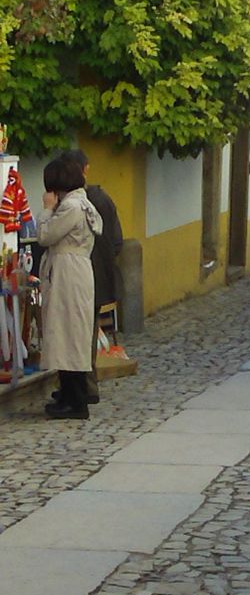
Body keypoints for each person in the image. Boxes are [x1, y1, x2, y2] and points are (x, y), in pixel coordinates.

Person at [37, 156, 103, 419]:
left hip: (68, 273)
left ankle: (75, 400)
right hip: (73, 271)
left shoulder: (71, 207)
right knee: (69, 331)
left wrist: (46, 210)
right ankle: (69, 392)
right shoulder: (81, 202)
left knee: (68, 332)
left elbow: (46, 235)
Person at [60, 149, 123, 405]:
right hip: (100, 276)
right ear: (86, 168)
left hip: (79, 276)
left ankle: (81, 388)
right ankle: (85, 386)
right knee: (86, 333)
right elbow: (117, 241)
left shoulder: (71, 205)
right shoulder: (102, 199)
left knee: (76, 335)